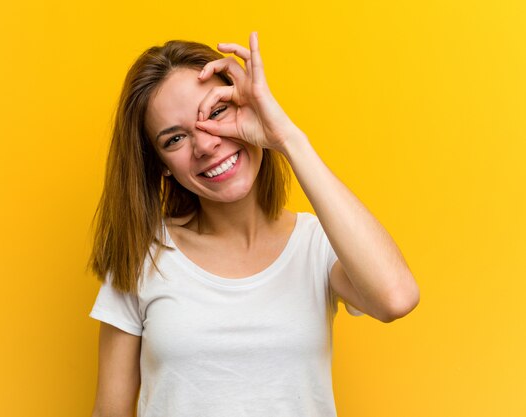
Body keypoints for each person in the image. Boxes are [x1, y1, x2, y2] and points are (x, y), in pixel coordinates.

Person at [88, 32, 420, 417]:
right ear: (161, 164)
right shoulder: (143, 256)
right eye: (175, 138)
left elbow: (396, 297)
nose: (205, 145)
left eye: (216, 112)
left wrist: (286, 138)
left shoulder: (315, 244)